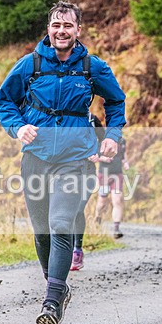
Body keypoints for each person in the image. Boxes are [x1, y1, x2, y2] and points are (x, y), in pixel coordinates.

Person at [0, 1, 126, 324]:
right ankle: (59, 287)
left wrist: (112, 135)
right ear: (48, 29)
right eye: (56, 25)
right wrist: (18, 127)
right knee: (41, 233)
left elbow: (116, 100)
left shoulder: (92, 67)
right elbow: (4, 101)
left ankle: (51, 302)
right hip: (35, 158)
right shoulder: (30, 65)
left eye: (68, 25)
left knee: (61, 223)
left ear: (78, 30)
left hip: (75, 160)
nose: (61, 31)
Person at [71, 116, 105, 271]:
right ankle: (64, 250)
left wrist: (97, 154)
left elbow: (104, 140)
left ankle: (77, 250)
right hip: (66, 172)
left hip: (88, 172)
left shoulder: (92, 119)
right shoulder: (63, 116)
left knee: (77, 209)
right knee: (65, 212)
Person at [94, 135, 129, 239]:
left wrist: (125, 162)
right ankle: (98, 218)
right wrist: (103, 158)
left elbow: (123, 155)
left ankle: (116, 229)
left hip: (117, 175)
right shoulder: (102, 139)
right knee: (102, 202)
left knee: (117, 200)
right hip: (104, 175)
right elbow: (94, 156)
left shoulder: (122, 140)